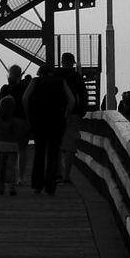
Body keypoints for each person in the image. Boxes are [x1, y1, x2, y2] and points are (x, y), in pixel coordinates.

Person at [23, 65, 74, 196]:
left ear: (40, 72)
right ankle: (51, 186)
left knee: (39, 152)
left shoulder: (35, 81)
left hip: (39, 121)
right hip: (57, 121)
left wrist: (29, 115)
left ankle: (38, 185)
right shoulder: (61, 82)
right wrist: (66, 115)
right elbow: (72, 100)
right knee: (53, 153)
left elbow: (25, 98)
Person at [0, 64, 31, 184]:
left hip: (6, 122)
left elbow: (0, 104)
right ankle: (20, 177)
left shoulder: (4, 88)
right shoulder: (24, 87)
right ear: (20, 75)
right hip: (21, 121)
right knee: (22, 150)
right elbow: (26, 103)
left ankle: (6, 175)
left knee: (5, 151)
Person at [57, 51, 88, 181]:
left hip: (56, 114)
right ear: (72, 63)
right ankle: (66, 175)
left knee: (57, 144)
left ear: (62, 62)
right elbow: (83, 95)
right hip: (73, 114)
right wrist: (82, 111)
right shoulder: (77, 77)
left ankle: (58, 172)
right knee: (70, 146)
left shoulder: (55, 75)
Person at [0, 93, 22, 194]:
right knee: (11, 167)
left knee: (2, 166)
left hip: (1, 145)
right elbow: (17, 134)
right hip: (12, 146)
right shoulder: (13, 121)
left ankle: (1, 186)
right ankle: (12, 187)